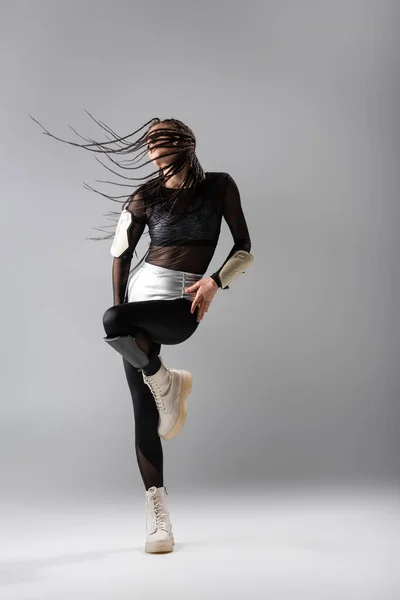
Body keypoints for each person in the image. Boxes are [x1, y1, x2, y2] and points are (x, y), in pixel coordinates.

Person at [30, 114, 254, 554]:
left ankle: (166, 379)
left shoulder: (220, 186)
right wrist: (124, 308)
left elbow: (244, 245)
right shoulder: (144, 196)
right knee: (142, 409)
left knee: (114, 323)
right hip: (140, 300)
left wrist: (215, 281)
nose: (152, 152)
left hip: (182, 303)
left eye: (160, 144)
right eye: (149, 146)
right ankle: (159, 518)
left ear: (185, 144)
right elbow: (121, 254)